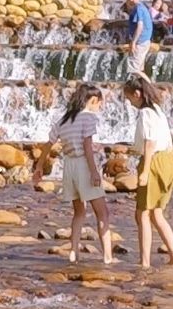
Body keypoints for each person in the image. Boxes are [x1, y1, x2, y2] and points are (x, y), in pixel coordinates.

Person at [32, 86, 113, 265]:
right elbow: (86, 146)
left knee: (79, 212)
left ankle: (74, 252)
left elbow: (48, 144)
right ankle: (107, 257)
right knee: (103, 213)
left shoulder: (64, 120)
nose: (100, 107)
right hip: (84, 164)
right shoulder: (89, 118)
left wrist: (38, 167)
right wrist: (93, 171)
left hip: (69, 167)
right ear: (92, 101)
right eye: (99, 103)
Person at [123, 79, 173, 267]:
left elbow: (150, 143)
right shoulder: (158, 110)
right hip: (167, 160)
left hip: (154, 161)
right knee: (157, 213)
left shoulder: (145, 113)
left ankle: (145, 262)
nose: (129, 102)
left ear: (137, 94)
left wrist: (145, 171)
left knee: (142, 214)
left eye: (128, 97)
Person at [124, 0, 155, 75]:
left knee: (133, 70)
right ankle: (145, 87)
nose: (126, 0)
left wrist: (133, 42)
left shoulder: (139, 8)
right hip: (145, 40)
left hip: (141, 42)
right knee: (139, 70)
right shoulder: (142, 6)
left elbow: (140, 26)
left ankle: (149, 87)